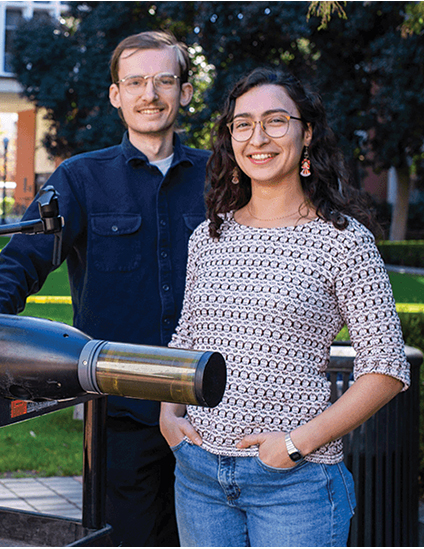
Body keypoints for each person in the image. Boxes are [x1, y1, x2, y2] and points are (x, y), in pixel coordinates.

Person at [0, 30, 208, 546]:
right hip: (119, 410)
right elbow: (23, 260)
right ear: (116, 95)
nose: (150, 94)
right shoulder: (79, 178)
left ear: (185, 92)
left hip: (216, 408)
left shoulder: (221, 178)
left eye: (164, 80)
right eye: (136, 81)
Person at [160, 67, 410, 547]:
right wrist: (168, 415)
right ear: (231, 138)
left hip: (295, 483)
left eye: (276, 121)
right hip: (199, 477)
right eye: (243, 123)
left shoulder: (343, 241)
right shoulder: (210, 236)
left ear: (306, 132)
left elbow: (386, 368)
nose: (259, 137)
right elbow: (188, 339)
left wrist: (294, 446)